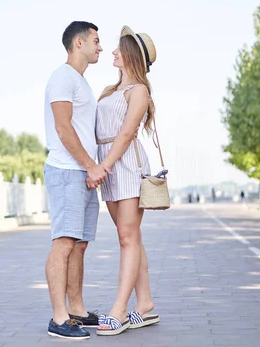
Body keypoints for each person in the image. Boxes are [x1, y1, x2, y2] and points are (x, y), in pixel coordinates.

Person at [92, 26, 160, 336]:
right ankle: (144, 301)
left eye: (120, 49)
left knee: (127, 237)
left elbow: (126, 133)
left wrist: (103, 165)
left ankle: (119, 309)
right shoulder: (110, 90)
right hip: (109, 164)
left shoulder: (139, 91)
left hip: (126, 165)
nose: (113, 52)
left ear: (132, 55)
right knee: (129, 235)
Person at [43, 21, 106, 340]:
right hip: (67, 171)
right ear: (78, 42)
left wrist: (91, 168)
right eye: (96, 40)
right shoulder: (62, 77)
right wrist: (90, 165)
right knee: (64, 242)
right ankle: (58, 318)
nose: (101, 46)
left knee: (79, 245)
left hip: (82, 173)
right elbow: (63, 128)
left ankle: (77, 310)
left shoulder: (81, 83)